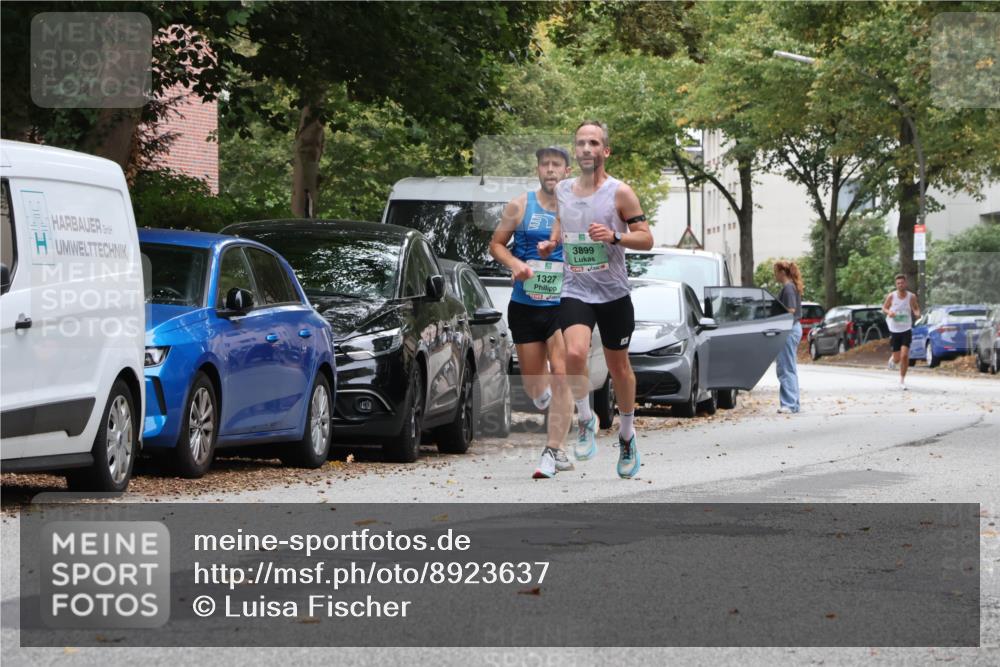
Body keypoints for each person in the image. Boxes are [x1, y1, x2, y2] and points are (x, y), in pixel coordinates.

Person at [538, 120, 654, 479]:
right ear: (575, 151)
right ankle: (586, 418)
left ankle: (626, 434)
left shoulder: (621, 193)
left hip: (613, 292)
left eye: (593, 143)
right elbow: (563, 220)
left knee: (618, 369)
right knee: (574, 353)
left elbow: (646, 238)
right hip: (576, 287)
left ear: (605, 151)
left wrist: (615, 237)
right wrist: (554, 241)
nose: (586, 148)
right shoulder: (564, 190)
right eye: (580, 143)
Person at [490, 146, 574, 479]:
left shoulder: (577, 208)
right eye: (545, 165)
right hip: (525, 303)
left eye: (557, 165)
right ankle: (557, 407)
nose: (551, 170)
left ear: (567, 172)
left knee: (562, 372)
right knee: (534, 386)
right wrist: (516, 264)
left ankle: (552, 452)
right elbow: (496, 244)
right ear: (538, 170)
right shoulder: (520, 205)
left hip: (564, 303)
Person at [774, 260, 803, 414]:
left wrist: (775, 309)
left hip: (789, 330)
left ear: (782, 272)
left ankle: (789, 404)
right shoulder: (791, 286)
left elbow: (791, 309)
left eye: (776, 272)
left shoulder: (788, 288)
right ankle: (794, 403)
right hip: (793, 329)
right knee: (789, 367)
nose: (775, 275)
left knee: (785, 367)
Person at [882, 273, 921, 390]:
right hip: (894, 329)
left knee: (904, 356)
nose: (900, 285)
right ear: (896, 285)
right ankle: (893, 359)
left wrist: (917, 313)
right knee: (897, 358)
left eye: (902, 283)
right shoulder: (891, 296)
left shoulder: (911, 296)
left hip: (906, 329)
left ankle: (902, 380)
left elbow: (915, 307)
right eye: (898, 283)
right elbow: (884, 307)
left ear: (906, 283)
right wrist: (889, 312)